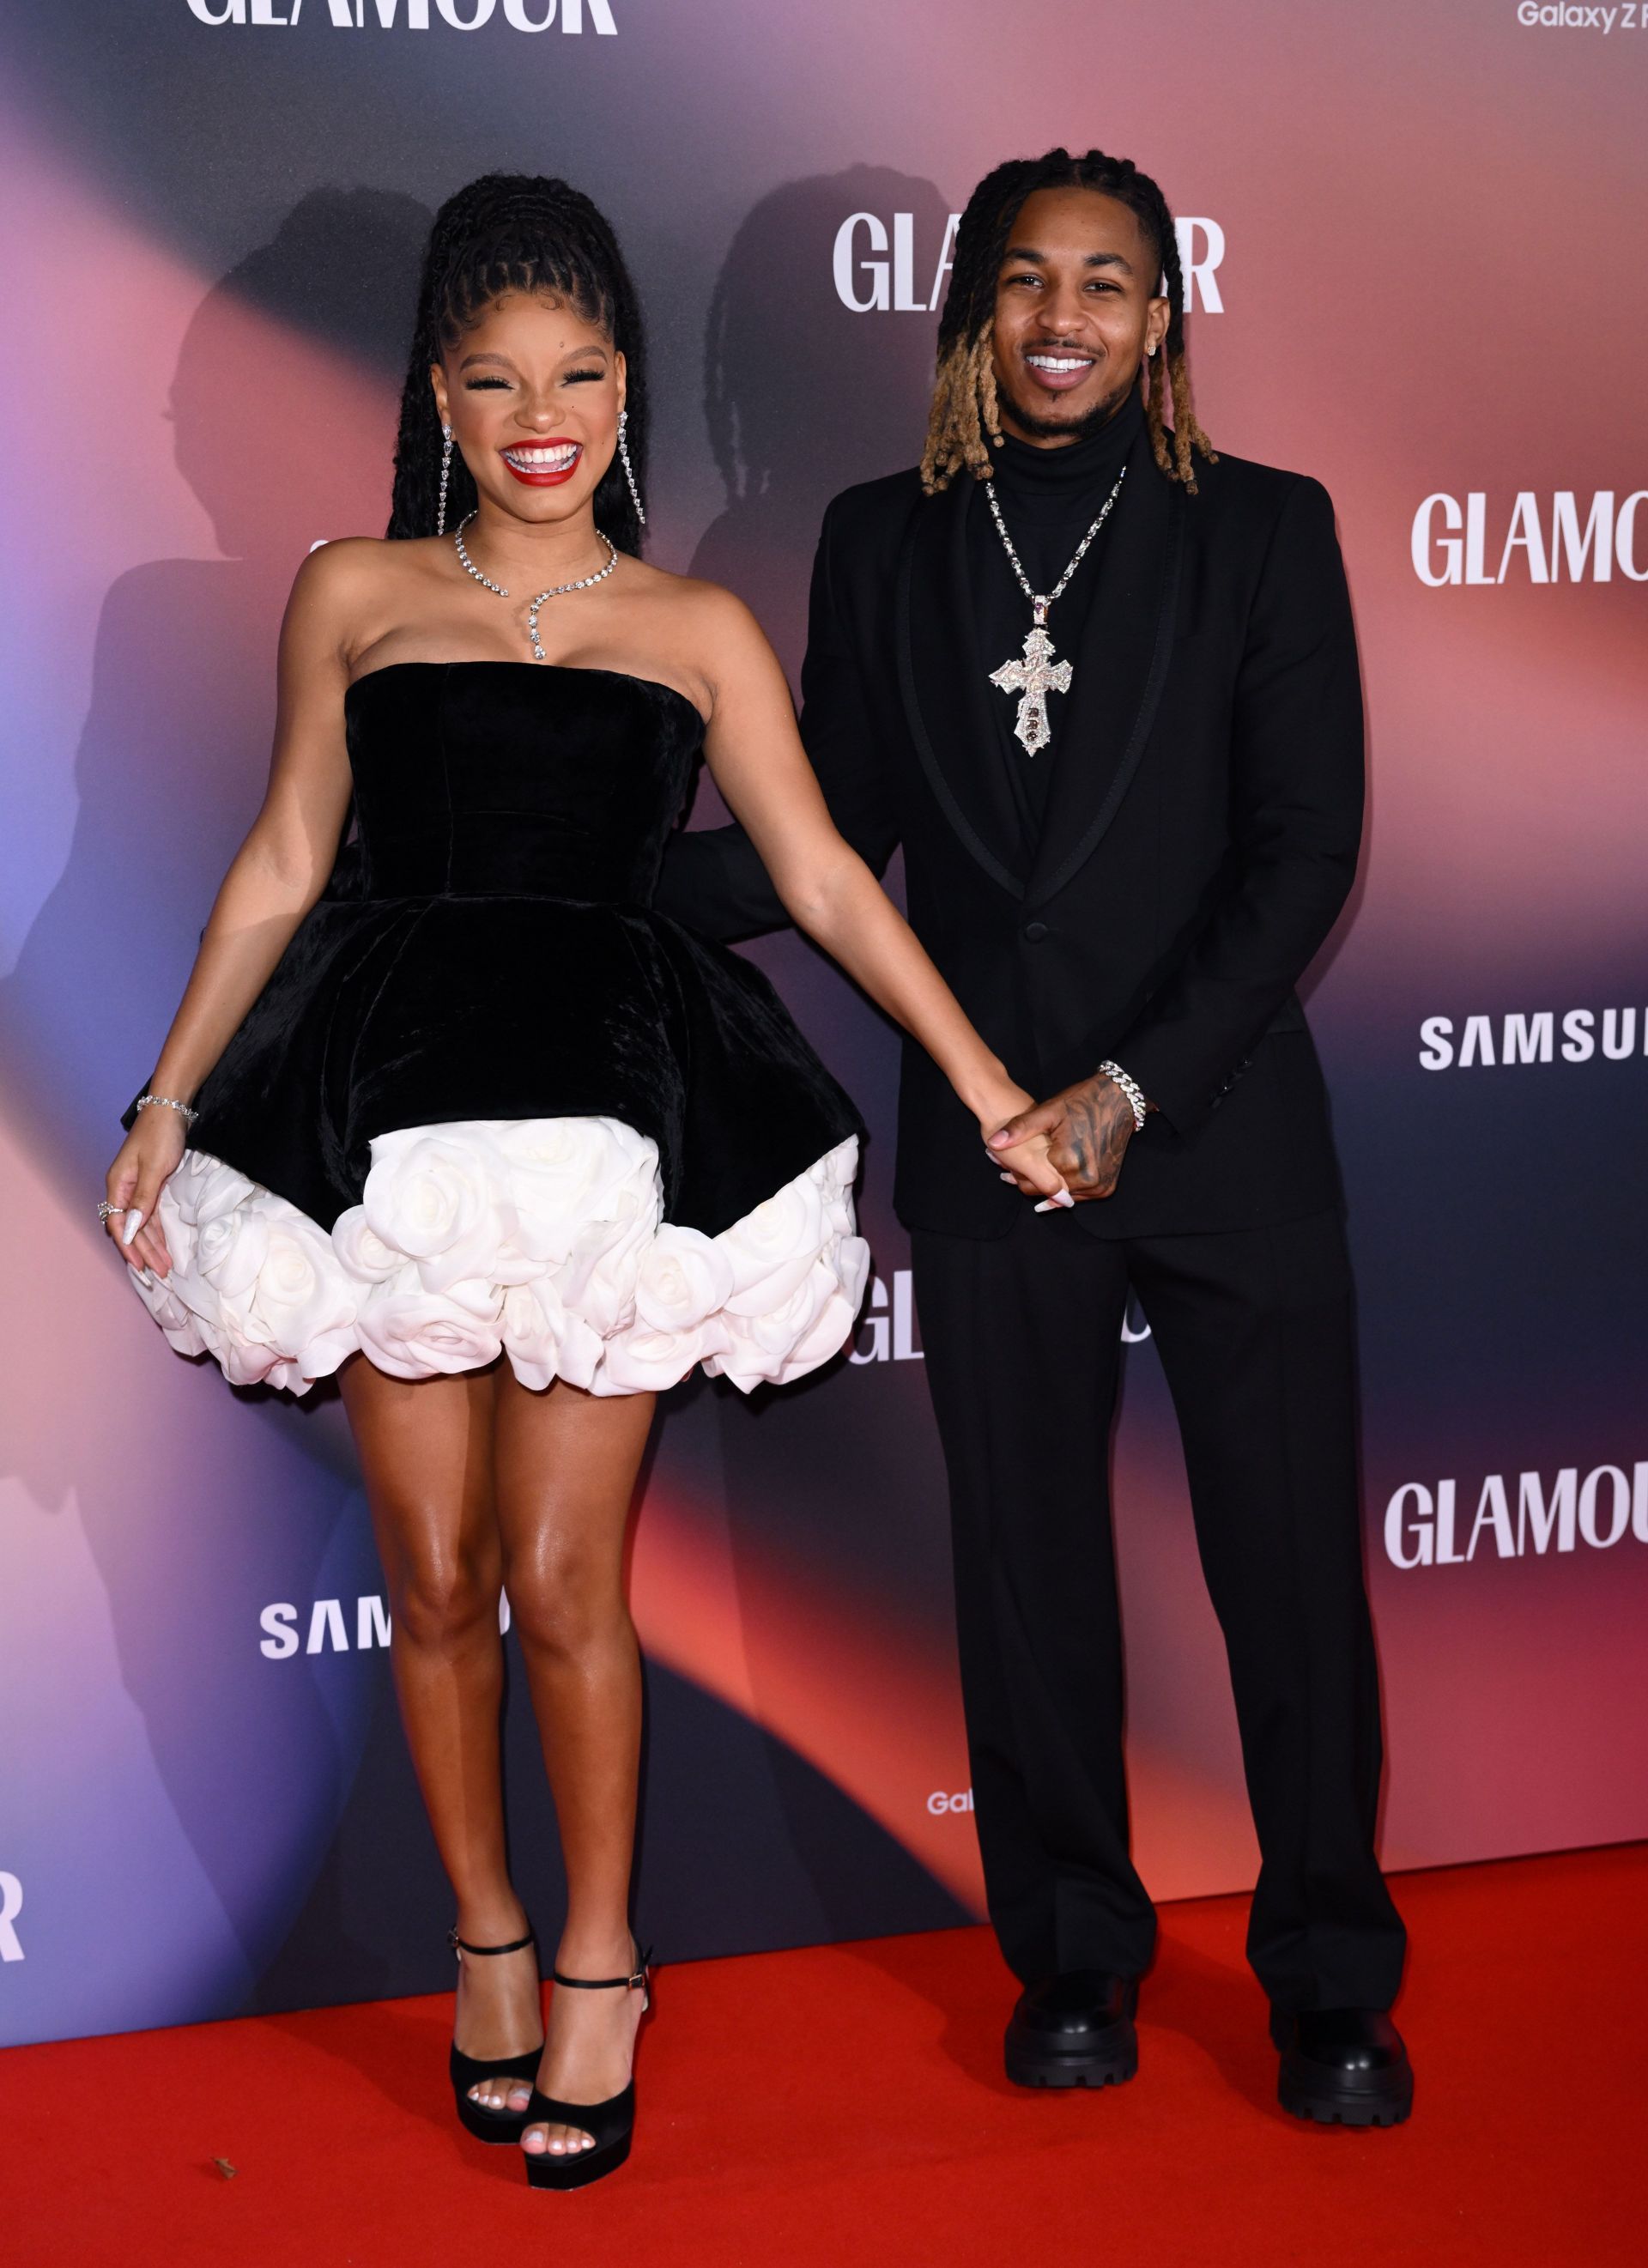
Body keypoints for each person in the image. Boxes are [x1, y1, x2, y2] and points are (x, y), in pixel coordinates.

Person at [102, 173, 1063, 2191]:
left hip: (610, 1121)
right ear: (437, 399)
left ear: (628, 387)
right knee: (432, 1579)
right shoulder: (351, 593)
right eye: (495, 381)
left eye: (583, 374)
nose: (543, 414)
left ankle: (608, 1961)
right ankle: (488, 1942)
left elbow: (812, 876)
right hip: (387, 1124)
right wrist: (170, 1093)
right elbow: (287, 857)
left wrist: (980, 1077)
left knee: (561, 1583)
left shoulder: (695, 623)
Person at [657, 146, 1413, 2127]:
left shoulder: (1262, 530)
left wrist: (1131, 1087)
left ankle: (1334, 1976)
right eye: (1024, 279)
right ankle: (1074, 1955)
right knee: (1026, 1574)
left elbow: (1302, 848)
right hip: (992, 1144)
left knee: (1290, 1585)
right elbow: (819, 846)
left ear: (1164, 320)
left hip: (1221, 1124)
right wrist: (559, 832)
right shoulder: (880, 540)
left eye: (1105, 281)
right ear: (971, 311)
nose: (1062, 315)